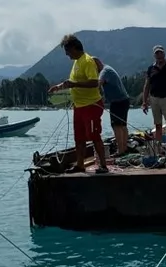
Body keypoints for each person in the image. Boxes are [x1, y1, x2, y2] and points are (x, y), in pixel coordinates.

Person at [49, 34, 109, 174]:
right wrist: (59, 87)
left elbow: (94, 82)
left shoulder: (87, 61)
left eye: (68, 51)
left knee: (94, 135)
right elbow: (72, 82)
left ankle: (103, 166)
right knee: (79, 137)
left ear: (75, 48)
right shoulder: (76, 62)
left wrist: (74, 84)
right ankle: (80, 165)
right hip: (79, 106)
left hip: (91, 105)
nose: (67, 55)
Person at [141, 45, 166, 146]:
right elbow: (146, 85)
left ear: (164, 53)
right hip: (154, 99)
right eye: (157, 53)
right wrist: (144, 102)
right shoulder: (151, 68)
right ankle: (159, 148)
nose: (159, 55)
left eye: (160, 53)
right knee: (157, 125)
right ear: (154, 55)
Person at [94, 57, 131, 156]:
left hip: (117, 102)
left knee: (116, 126)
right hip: (124, 100)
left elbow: (99, 82)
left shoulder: (104, 71)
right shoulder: (108, 68)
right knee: (123, 126)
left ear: (97, 65)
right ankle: (124, 148)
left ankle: (120, 151)